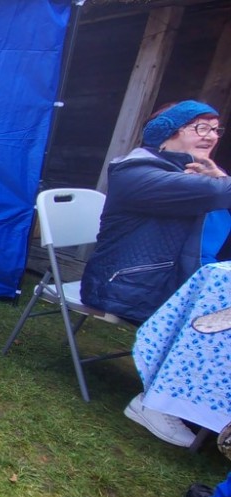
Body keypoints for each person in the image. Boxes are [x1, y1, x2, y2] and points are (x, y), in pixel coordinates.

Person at [80, 100, 231, 447]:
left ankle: (200, 405)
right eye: (201, 127)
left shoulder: (189, 175)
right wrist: (220, 179)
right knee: (212, 322)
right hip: (124, 284)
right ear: (169, 132)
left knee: (221, 316)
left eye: (215, 129)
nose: (211, 136)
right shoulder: (137, 173)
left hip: (159, 282)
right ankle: (155, 402)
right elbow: (221, 192)